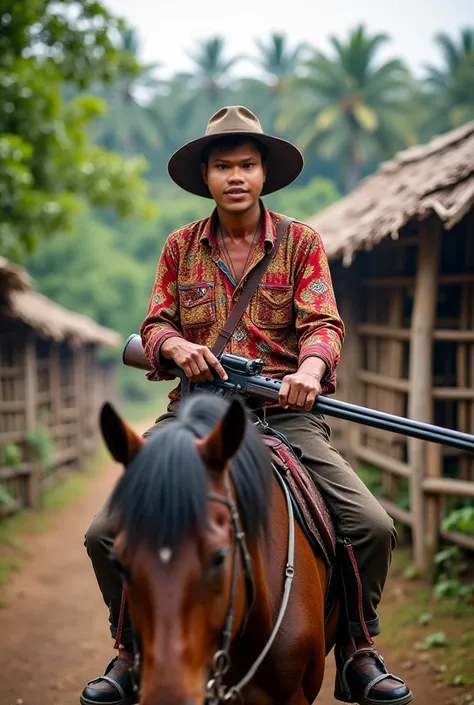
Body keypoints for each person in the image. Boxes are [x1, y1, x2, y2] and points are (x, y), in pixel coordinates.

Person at [81, 105, 413, 705]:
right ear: (205, 176)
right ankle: (130, 651)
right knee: (106, 531)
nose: (237, 176)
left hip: (284, 413)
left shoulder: (300, 242)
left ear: (265, 174)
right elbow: (154, 324)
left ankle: (359, 651)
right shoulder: (179, 247)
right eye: (224, 166)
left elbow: (323, 324)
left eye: (248, 165)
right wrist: (178, 346)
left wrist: (309, 370)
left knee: (372, 526)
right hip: (195, 412)